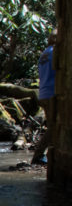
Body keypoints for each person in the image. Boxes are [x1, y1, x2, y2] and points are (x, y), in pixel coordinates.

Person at [33, 31, 57, 165]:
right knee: (54, 127)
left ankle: (50, 154)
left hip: (43, 92)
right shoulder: (56, 52)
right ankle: (39, 155)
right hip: (52, 93)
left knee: (53, 125)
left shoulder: (45, 53)